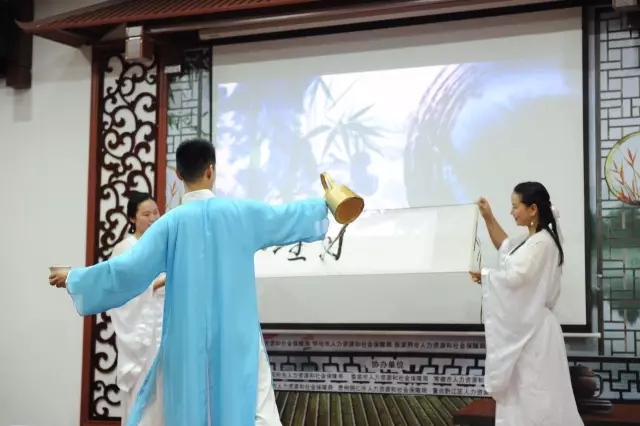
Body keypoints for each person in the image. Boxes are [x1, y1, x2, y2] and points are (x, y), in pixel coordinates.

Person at [49, 138, 329, 426]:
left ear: (179, 174)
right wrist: (328, 204)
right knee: (251, 409)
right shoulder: (241, 213)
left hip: (185, 338)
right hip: (236, 335)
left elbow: (126, 269)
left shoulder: (170, 223)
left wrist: (75, 276)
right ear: (211, 170)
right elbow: (287, 216)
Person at [469, 182, 583, 426]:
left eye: (515, 206)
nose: (512, 212)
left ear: (532, 209)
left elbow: (517, 279)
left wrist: (487, 277)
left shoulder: (542, 243)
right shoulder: (531, 241)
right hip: (529, 329)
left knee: (536, 399)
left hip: (535, 335)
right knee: (524, 396)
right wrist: (488, 217)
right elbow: (505, 247)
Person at [110, 191, 165, 426]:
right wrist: (158, 284)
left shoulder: (163, 245)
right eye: (146, 214)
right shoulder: (124, 249)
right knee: (142, 390)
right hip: (140, 330)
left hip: (164, 326)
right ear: (132, 218)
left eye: (156, 212)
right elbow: (121, 291)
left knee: (164, 392)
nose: (153, 218)